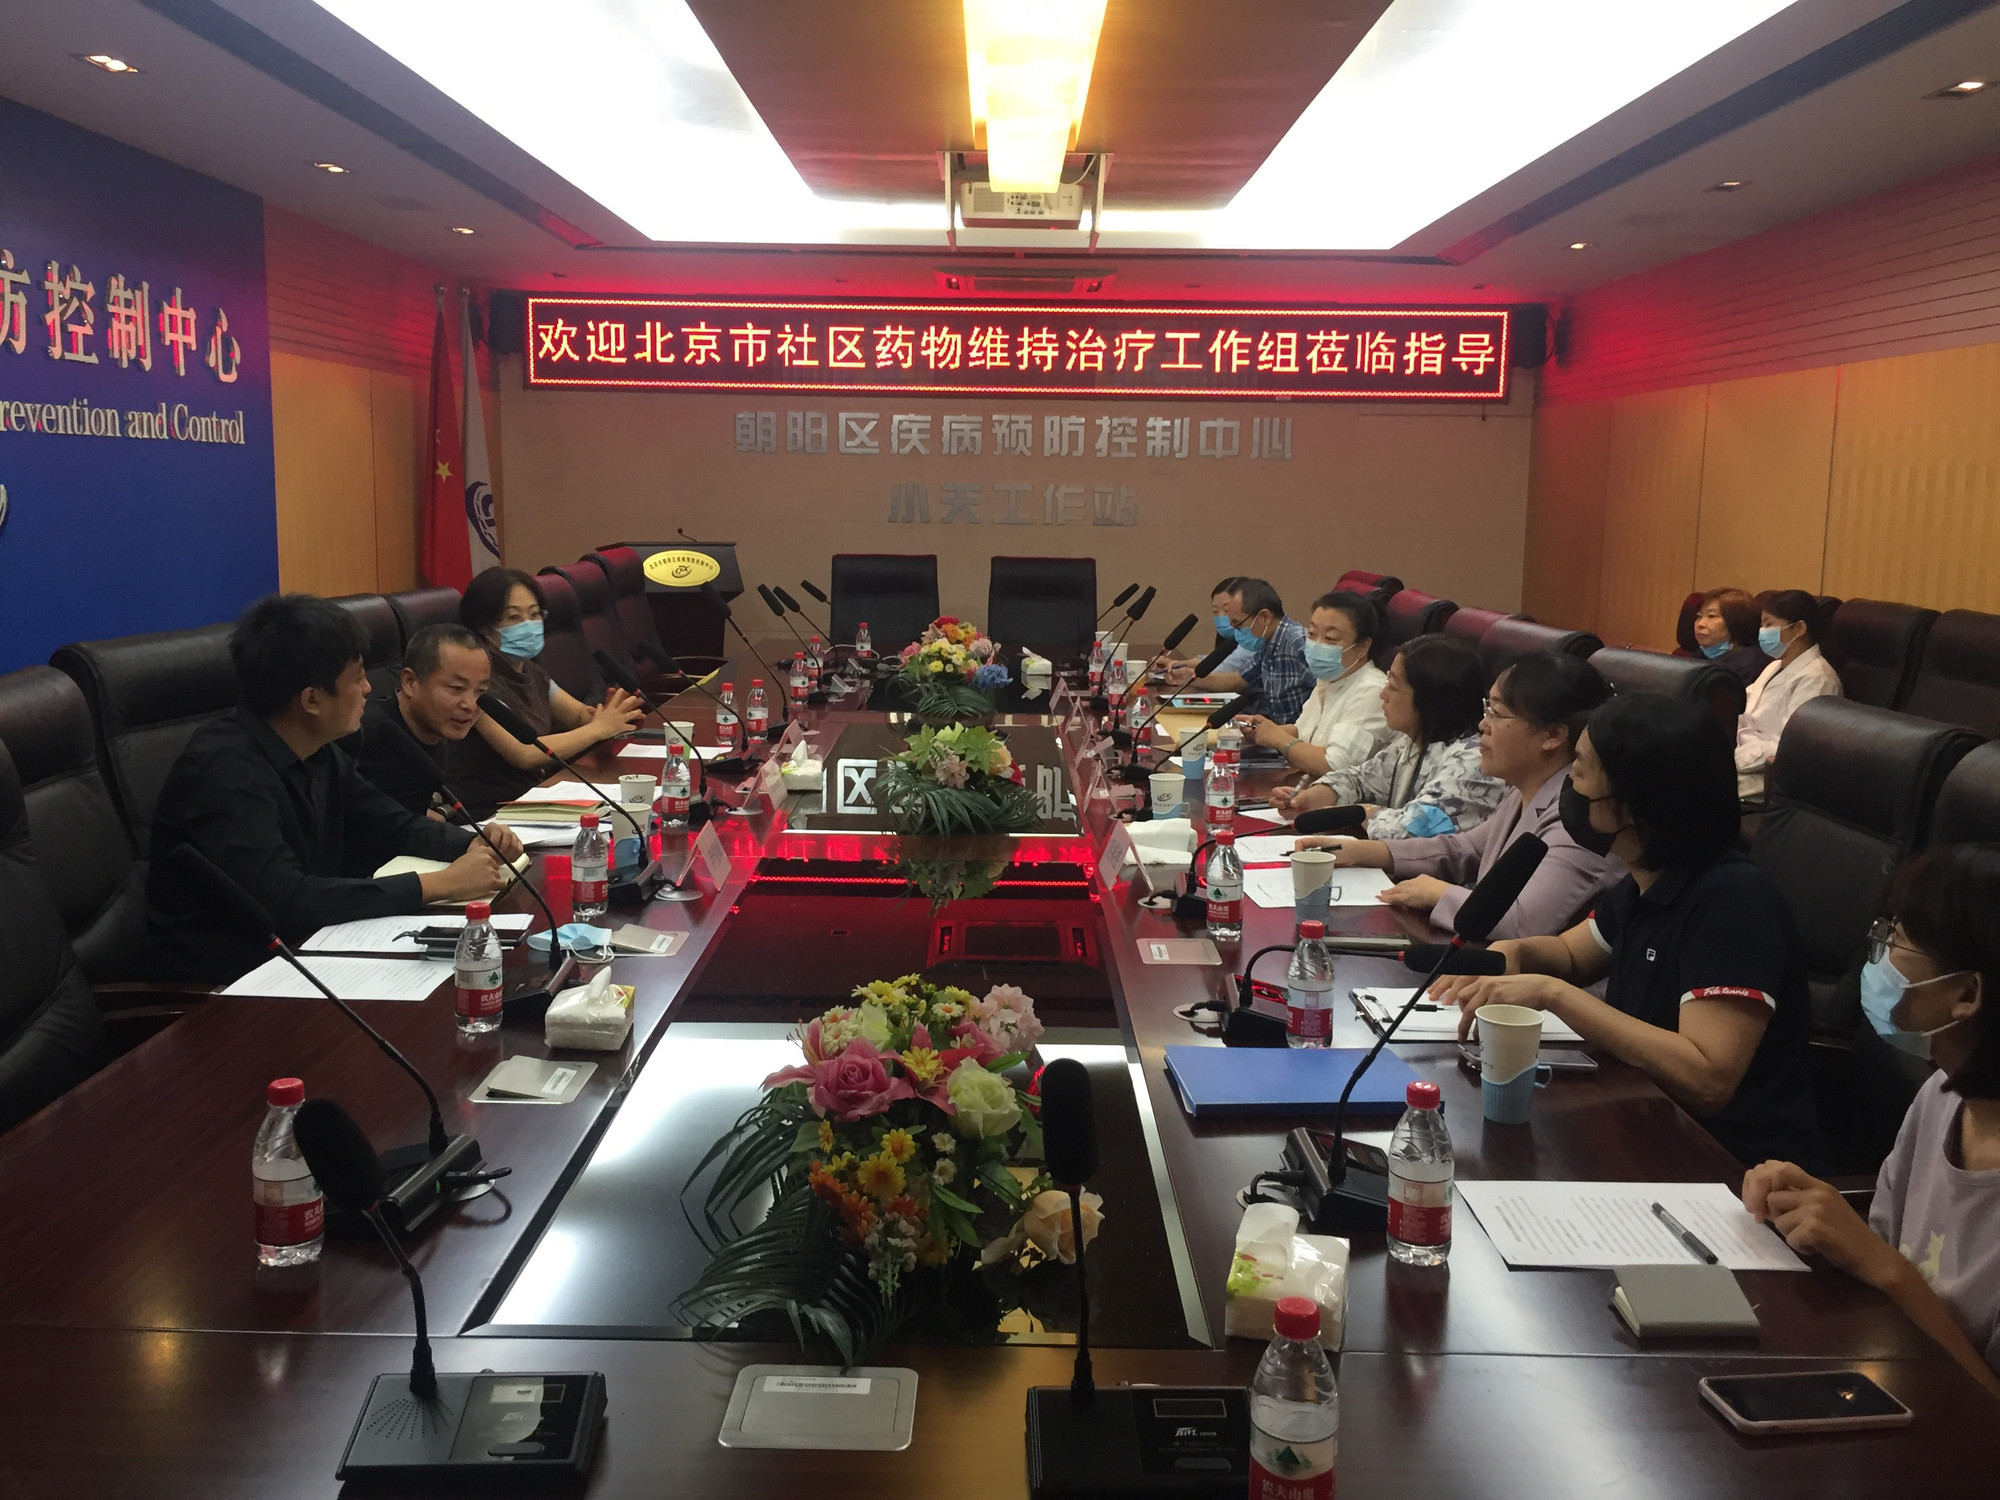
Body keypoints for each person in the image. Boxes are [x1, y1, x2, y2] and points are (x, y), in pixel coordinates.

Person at [1439, 693, 1820, 1167]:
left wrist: (1552, 994)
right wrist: (1515, 955)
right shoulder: (1648, 879)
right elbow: (1571, 955)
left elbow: (1707, 1079)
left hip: (1725, 1166)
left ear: (1638, 797)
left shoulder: (1734, 902)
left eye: (1580, 770)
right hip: (1638, 1121)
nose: (1570, 785)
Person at [148, 594, 519, 984]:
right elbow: (286, 900)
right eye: (357, 677)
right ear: (312, 699)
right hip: (223, 986)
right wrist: (440, 884)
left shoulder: (317, 749)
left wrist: (473, 843)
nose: (368, 687)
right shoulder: (222, 770)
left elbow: (390, 823)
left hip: (306, 952)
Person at [1741, 843, 2000, 1397]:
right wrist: (1817, 1222)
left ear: (1967, 993)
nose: (1878, 958)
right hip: (1891, 1385)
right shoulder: (1940, 1096)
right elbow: (1873, 1263)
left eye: (1896, 940)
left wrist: (1886, 1270)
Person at [1301, 651, 1620, 939]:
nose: (1483, 725)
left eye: (1497, 713)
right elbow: (1462, 850)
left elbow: (1522, 923)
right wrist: (1363, 852)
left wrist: (1439, 893)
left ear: (1552, 735)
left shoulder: (1583, 816)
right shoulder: (1525, 792)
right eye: (1486, 709)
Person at [450, 566, 644, 817]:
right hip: (490, 809)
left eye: (534, 614)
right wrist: (598, 728)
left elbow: (577, 716)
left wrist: (612, 714)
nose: (529, 625)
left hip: (535, 796)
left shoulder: (531, 671)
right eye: (513, 617)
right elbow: (525, 752)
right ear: (484, 626)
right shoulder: (477, 682)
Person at [1271, 634, 1503, 840]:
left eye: (1392, 686)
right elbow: (1361, 779)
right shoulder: (1412, 742)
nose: (1382, 694)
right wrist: (1314, 797)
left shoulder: (1474, 762)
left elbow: (1412, 831)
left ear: (1428, 699)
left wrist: (1365, 812)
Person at [1237, 590, 1391, 779]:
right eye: (1311, 634)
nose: (1317, 644)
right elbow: (1303, 733)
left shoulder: (1372, 691)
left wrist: (1278, 738)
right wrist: (1262, 731)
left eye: (1330, 639)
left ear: (1363, 647)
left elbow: (1333, 766)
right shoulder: (1330, 678)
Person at [353, 624, 491, 818]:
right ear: (410, 682)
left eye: (480, 692)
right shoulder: (367, 737)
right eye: (456, 688)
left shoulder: (441, 730)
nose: (470, 705)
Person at [1736, 588, 1841, 802]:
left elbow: (1789, 745)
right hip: (1742, 756)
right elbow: (1743, 707)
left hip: (1769, 775)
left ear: (1799, 628)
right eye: (1762, 625)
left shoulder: (1817, 679)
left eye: (1769, 625)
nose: (1762, 632)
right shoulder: (1775, 666)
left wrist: (1735, 759)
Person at [1163, 577, 1313, 724]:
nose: (1235, 630)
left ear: (1265, 617)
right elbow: (1238, 680)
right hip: (1279, 731)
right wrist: (1190, 677)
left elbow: (1324, 700)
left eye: (1238, 624)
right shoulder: (1268, 642)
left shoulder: (1298, 642)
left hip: (1298, 736)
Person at [1689, 586, 1770, 689]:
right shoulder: (1699, 655)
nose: (1700, 624)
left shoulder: (1749, 665)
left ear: (1736, 622)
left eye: (1711, 616)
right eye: (1699, 616)